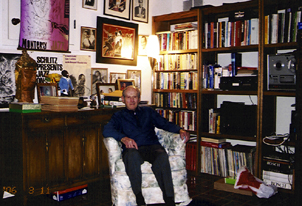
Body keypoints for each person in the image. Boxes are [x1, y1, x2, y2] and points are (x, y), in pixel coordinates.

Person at [102, 86, 190, 206]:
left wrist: (180, 130)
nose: (132, 100)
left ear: (139, 99)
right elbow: (106, 130)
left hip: (152, 147)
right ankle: (139, 198)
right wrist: (123, 138)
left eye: (134, 97)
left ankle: (170, 200)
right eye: (128, 97)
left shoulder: (148, 111)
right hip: (133, 149)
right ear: (123, 99)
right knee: (131, 156)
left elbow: (164, 123)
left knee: (162, 157)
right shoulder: (118, 116)